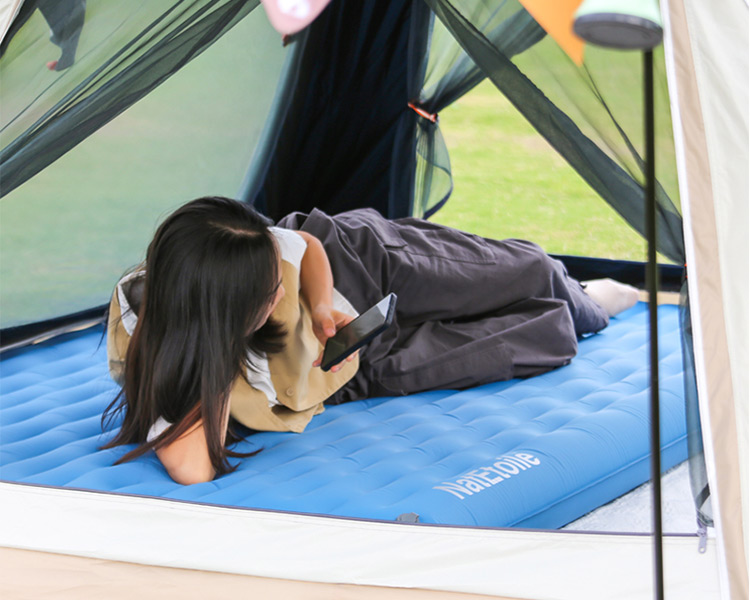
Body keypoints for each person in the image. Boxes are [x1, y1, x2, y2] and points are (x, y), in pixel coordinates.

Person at [102, 196, 638, 485]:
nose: (278, 292)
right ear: (222, 319)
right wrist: (215, 362)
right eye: (268, 295)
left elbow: (304, 242)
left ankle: (584, 294)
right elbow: (193, 468)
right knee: (537, 340)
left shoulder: (238, 252)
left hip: (365, 266)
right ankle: (582, 307)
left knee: (530, 271)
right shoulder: (163, 359)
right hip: (340, 372)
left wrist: (320, 304)